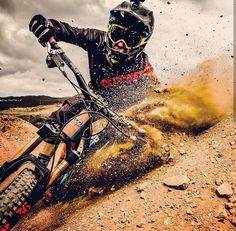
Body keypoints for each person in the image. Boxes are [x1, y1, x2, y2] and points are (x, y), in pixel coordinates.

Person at [29, 0, 158, 155]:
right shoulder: (96, 39)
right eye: (116, 33)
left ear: (142, 43)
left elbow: (156, 93)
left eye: (131, 38)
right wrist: (48, 26)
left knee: (114, 141)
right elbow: (69, 31)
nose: (120, 44)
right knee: (60, 116)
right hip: (93, 95)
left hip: (124, 107)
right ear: (109, 30)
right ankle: (40, 163)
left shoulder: (142, 64)